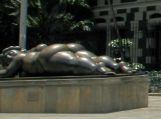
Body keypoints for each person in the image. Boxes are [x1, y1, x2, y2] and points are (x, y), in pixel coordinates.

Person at [1, 43, 131, 77]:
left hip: (45, 57)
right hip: (64, 47)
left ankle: (98, 69)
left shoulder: (21, 57)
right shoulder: (33, 51)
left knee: (74, 63)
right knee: (93, 58)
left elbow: (7, 73)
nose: (8, 57)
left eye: (9, 53)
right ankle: (118, 66)